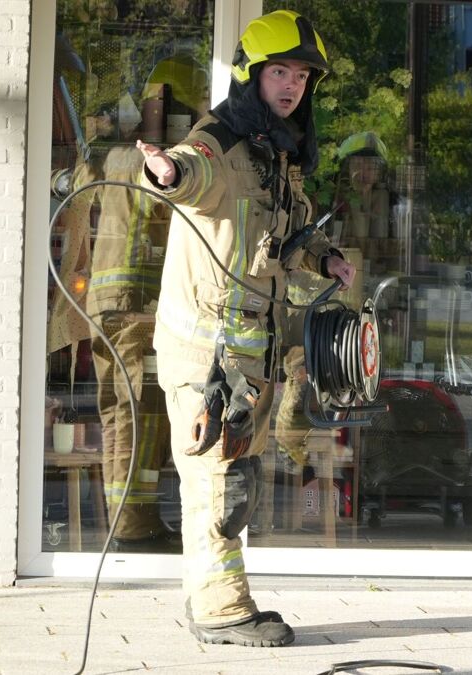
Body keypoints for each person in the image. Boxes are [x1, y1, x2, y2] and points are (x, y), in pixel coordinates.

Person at [137, 10, 355, 648]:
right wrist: (167, 171)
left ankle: (216, 598)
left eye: (302, 77)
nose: (292, 86)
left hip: (247, 357)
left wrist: (325, 259)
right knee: (216, 480)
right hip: (205, 355)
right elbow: (191, 171)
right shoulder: (222, 140)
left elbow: (284, 234)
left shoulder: (277, 154)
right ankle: (221, 611)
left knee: (236, 478)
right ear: (250, 75)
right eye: (280, 72)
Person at [84, 52, 210, 553]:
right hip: (131, 304)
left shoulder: (116, 154)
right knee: (134, 411)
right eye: (189, 114)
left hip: (122, 303)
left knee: (137, 410)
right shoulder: (143, 161)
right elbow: (167, 201)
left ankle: (137, 520)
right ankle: (131, 528)